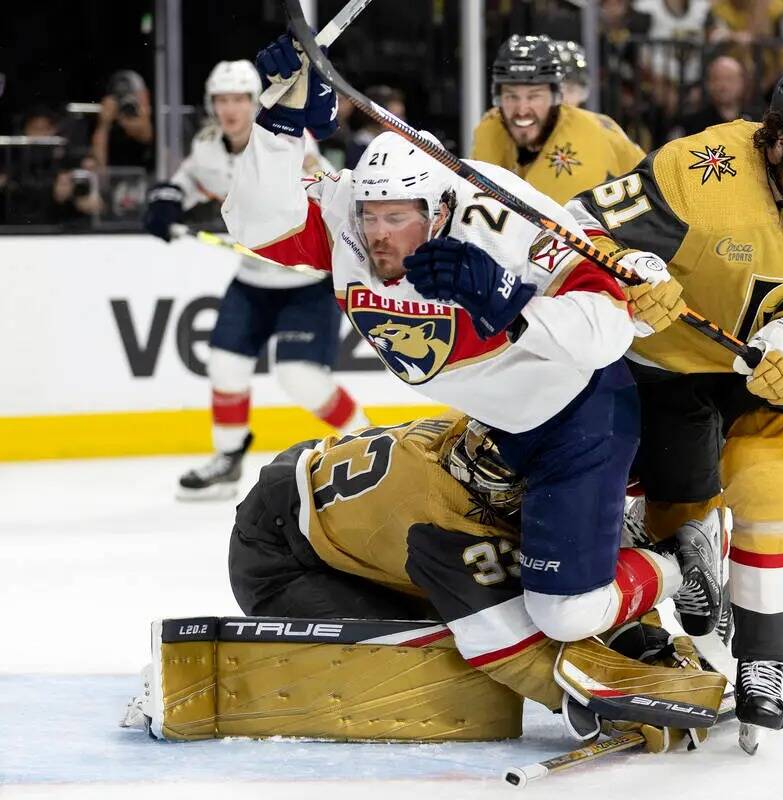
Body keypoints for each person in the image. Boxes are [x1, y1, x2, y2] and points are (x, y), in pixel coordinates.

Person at [223, 35, 722, 654]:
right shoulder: (351, 214)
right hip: (492, 428)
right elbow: (253, 225)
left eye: (398, 217)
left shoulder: (501, 216)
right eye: (370, 217)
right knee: (510, 580)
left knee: (564, 615)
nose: (378, 236)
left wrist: (511, 306)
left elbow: (609, 329)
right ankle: (614, 539)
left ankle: (679, 558)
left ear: (439, 211)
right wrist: (278, 126)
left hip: (578, 418)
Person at [568, 62, 783, 748]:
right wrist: (630, 273)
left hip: (770, 367)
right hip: (670, 366)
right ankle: (690, 557)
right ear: (775, 137)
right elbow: (575, 230)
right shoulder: (697, 170)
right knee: (677, 519)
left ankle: (763, 666)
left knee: (772, 485)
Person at [225, 412, 727, 746]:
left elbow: (581, 570)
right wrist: (600, 698)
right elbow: (509, 646)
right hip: (278, 555)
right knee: (431, 658)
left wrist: (645, 643)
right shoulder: (438, 521)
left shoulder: (501, 449)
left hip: (341, 495)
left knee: (541, 574)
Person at [143, 59, 368, 500]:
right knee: (226, 365)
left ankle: (368, 444)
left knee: (299, 376)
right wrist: (167, 199)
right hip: (252, 280)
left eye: (239, 99)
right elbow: (188, 179)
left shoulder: (287, 143)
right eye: (221, 100)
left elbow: (319, 189)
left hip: (306, 280)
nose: (230, 109)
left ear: (255, 102)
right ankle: (227, 461)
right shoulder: (209, 146)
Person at [470, 35, 645, 205]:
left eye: (534, 96)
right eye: (511, 96)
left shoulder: (584, 141)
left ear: (556, 97)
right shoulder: (490, 127)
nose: (522, 110)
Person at [668, 55, 748, 139]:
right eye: (716, 79)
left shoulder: (756, 122)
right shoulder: (691, 124)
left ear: (742, 82)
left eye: (729, 79)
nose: (723, 86)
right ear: (708, 83)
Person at [91, 70, 154, 171]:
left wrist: (124, 119)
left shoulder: (158, 119)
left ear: (146, 94)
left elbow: (146, 135)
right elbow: (98, 166)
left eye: (133, 95)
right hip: (116, 182)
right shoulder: (110, 127)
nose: (128, 102)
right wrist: (103, 125)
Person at [554, 40, 590, 107]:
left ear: (583, 94)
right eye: (556, 90)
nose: (563, 99)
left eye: (570, 90)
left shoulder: (595, 118)